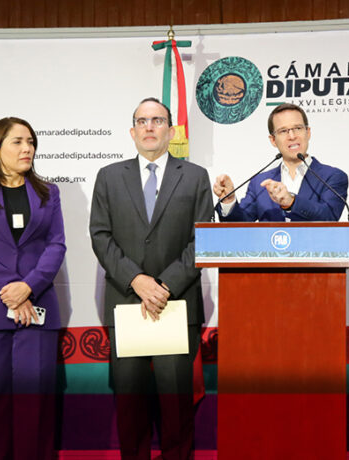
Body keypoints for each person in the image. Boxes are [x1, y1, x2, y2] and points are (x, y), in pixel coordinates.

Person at [89, 97, 214, 460]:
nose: (149, 127)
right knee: (132, 412)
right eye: (142, 121)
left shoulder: (194, 176)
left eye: (157, 120)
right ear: (132, 131)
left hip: (176, 305)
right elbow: (100, 235)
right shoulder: (110, 176)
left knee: (176, 413)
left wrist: (165, 285)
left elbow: (202, 239)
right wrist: (137, 280)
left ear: (170, 130)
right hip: (127, 305)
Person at [0, 117, 66, 460]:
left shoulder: (49, 192)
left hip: (37, 310)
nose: (27, 148)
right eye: (18, 141)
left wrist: (28, 287)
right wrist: (10, 288)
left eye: (31, 141)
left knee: (35, 408)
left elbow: (56, 245)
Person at [212, 103, 348, 221]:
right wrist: (228, 201)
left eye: (298, 128)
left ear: (308, 132)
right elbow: (239, 225)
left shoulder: (332, 177)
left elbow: (329, 216)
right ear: (273, 140)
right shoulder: (260, 182)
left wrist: (291, 202)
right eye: (283, 131)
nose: (292, 136)